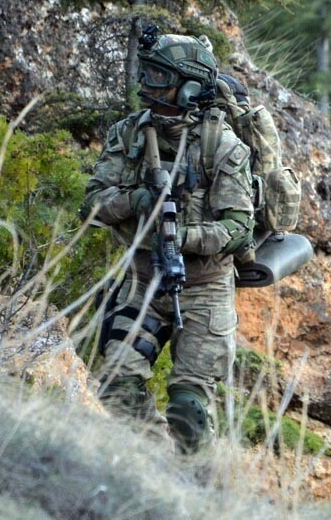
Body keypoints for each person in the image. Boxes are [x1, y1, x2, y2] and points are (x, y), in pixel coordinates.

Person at [79, 31, 255, 453]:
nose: (146, 85)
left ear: (190, 85)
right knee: (119, 390)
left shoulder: (222, 145)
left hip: (205, 290)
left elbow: (239, 228)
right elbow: (92, 203)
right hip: (141, 280)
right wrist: (137, 201)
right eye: (147, 73)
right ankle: (148, 462)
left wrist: (183, 238)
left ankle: (200, 487)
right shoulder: (129, 134)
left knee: (188, 413)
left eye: (159, 77)